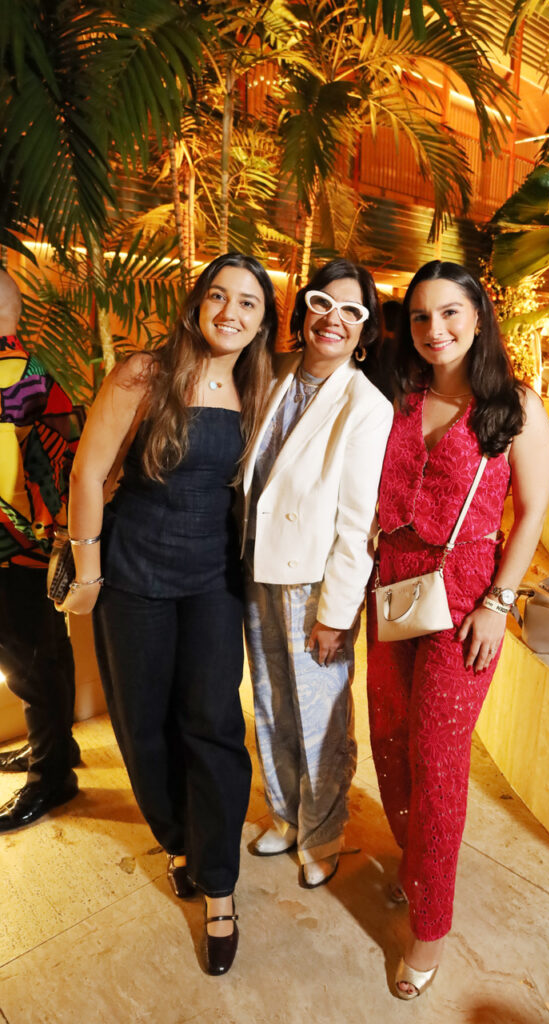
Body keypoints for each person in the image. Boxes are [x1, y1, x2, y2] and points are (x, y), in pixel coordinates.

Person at [58, 253, 278, 976]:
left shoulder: (259, 387)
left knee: (213, 723)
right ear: (196, 303)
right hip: (133, 571)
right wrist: (88, 569)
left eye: (248, 302)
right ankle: (177, 838)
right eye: (218, 295)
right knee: (142, 721)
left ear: (262, 322)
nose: (230, 312)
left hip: (214, 576)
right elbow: (89, 470)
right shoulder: (145, 374)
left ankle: (219, 883)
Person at [366, 260, 549, 999]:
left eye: (449, 312)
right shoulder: (400, 395)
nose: (434, 328)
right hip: (391, 585)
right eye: (420, 316)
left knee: (438, 757)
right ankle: (416, 863)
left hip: (466, 591)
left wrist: (497, 604)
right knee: (388, 732)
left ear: (478, 316)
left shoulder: (514, 406)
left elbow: (531, 511)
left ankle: (431, 928)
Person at [243, 258, 393, 888]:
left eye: (351, 311)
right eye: (322, 303)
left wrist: (336, 613)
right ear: (303, 309)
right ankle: (285, 815)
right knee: (271, 703)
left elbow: (359, 523)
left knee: (320, 718)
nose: (334, 319)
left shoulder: (367, 405)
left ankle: (324, 833)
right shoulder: (272, 373)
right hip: (256, 566)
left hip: (313, 582)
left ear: (365, 330)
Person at [0, 268, 82, 833]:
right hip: (29, 543)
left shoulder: (17, 375)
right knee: (46, 651)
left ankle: (51, 775)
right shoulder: (29, 371)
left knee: (30, 662)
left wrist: (54, 536)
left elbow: (58, 458)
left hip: (16, 547)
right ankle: (55, 749)